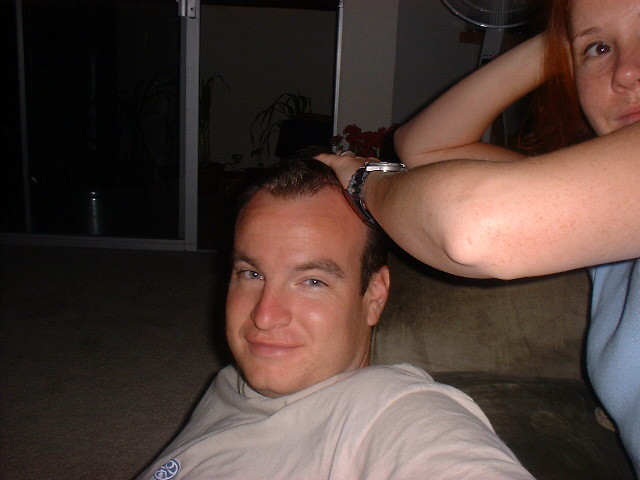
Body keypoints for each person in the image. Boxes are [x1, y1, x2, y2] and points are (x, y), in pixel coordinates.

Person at [316, 0, 640, 473]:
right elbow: (425, 146)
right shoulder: (609, 219)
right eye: (600, 50)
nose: (626, 73)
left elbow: (473, 228)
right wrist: (562, 37)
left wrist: (361, 179)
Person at [136, 158, 534, 480]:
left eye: (312, 281)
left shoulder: (394, 413)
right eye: (252, 273)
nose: (264, 316)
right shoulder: (229, 383)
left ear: (374, 296)